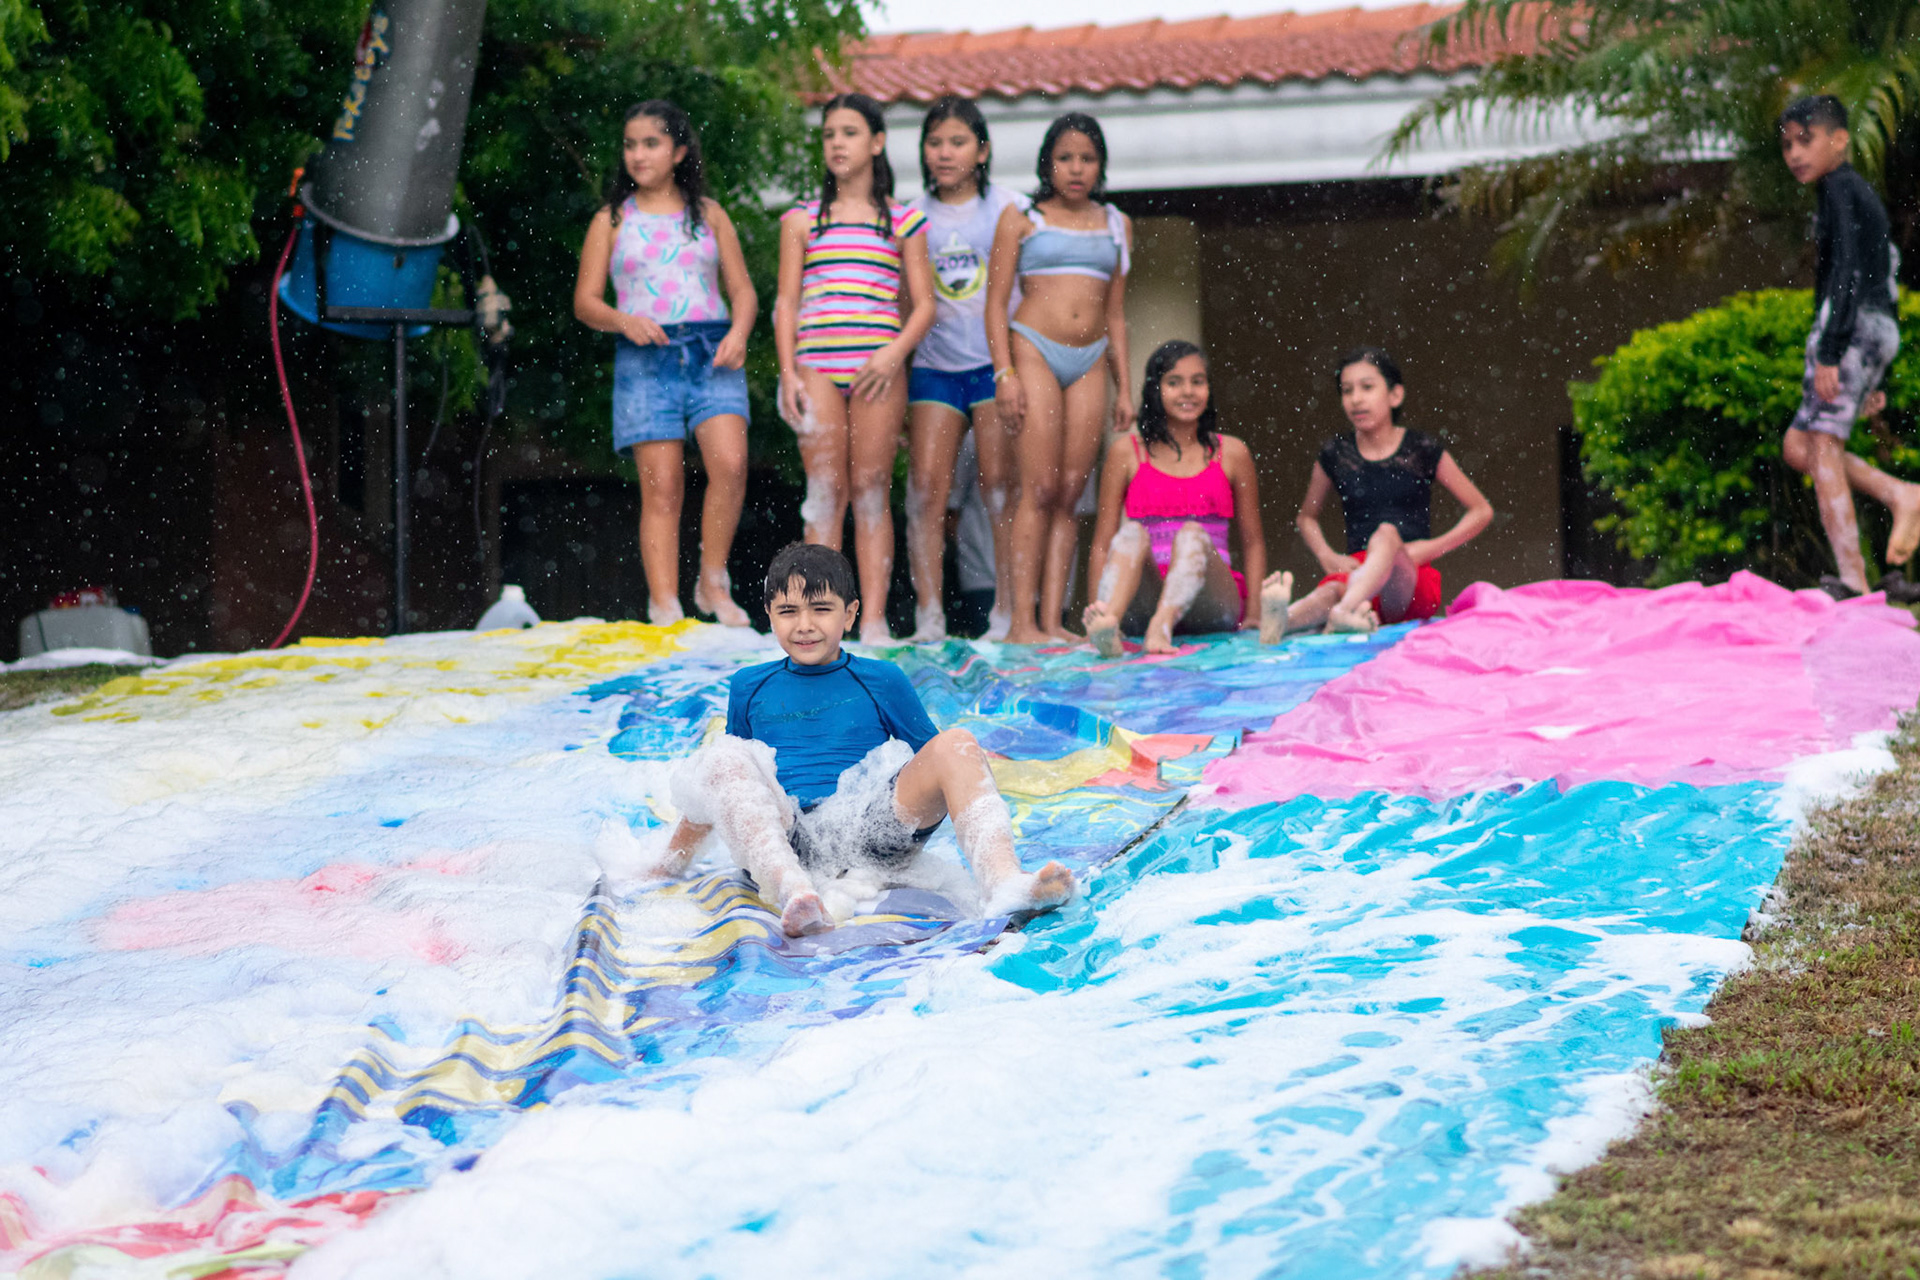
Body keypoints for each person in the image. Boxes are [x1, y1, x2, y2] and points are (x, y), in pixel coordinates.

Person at [657, 543, 1075, 937]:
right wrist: (667, 863)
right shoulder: (749, 685)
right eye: (788, 611)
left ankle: (1003, 882)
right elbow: (730, 785)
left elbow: (936, 763)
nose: (804, 625)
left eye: (822, 609)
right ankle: (795, 894)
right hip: (786, 843)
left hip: (868, 835)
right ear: (769, 614)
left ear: (850, 613)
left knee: (956, 743)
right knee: (724, 756)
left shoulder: (882, 680)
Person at [573, 100, 758, 627]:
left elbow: (744, 291)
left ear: (678, 152)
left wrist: (740, 333)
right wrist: (622, 320)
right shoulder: (611, 219)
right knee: (662, 488)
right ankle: (665, 605)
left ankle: (712, 582)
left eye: (650, 144)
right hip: (645, 355)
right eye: (630, 145)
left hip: (712, 349)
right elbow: (585, 302)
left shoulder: (710, 214)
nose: (637, 154)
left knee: (731, 465)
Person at [775, 93, 937, 643]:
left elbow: (926, 305)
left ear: (877, 142)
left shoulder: (905, 220)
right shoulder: (801, 219)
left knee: (870, 488)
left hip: (878, 366)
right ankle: (820, 623)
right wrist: (788, 373)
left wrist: (893, 354)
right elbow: (787, 303)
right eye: (829, 134)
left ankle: (871, 621)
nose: (837, 143)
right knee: (825, 489)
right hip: (816, 365)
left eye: (849, 132)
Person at [985, 112, 1133, 645]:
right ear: (1047, 163)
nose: (1076, 168)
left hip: (1090, 358)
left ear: (1101, 166)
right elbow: (995, 305)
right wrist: (1004, 374)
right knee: (1039, 487)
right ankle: (1021, 623)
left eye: (1087, 159)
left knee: (1071, 492)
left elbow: (1115, 314)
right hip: (1033, 349)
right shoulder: (1021, 217)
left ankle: (1053, 623)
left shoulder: (1116, 223)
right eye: (1065, 158)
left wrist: (1126, 387)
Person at [1775, 94, 1920, 602]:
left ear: (1839, 140)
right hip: (1873, 327)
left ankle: (1854, 583)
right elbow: (1882, 272)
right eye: (1787, 144)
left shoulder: (1840, 187)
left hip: (1852, 330)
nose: (1795, 153)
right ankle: (1902, 494)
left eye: (1806, 140)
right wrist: (1876, 373)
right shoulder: (1850, 191)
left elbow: (1848, 272)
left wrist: (1832, 352)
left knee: (1822, 446)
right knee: (1798, 447)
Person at [904, 97, 1026, 643]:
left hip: (994, 365)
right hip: (934, 366)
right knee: (926, 490)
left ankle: (1007, 610)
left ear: (982, 150)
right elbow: (904, 300)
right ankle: (929, 615)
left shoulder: (1010, 207)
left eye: (957, 142)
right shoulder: (911, 215)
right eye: (934, 143)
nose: (945, 153)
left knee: (999, 487)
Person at [1268, 347, 1493, 637]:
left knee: (1386, 535)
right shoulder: (1336, 453)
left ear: (1395, 395)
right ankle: (1281, 621)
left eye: (1367, 387)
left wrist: (1430, 548)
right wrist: (1326, 555)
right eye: (1347, 390)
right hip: (1359, 572)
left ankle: (1345, 610)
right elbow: (1306, 517)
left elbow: (1481, 510)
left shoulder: (1420, 448)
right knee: (1329, 591)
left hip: (1409, 574)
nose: (1356, 399)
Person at [1081, 341, 1269, 656]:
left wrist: (1254, 615)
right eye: (1174, 382)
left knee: (1192, 533)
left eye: (1198, 381)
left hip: (1211, 604)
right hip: (1147, 599)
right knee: (1130, 534)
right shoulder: (1126, 453)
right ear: (1156, 390)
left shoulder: (1233, 453)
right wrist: (1094, 609)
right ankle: (1107, 621)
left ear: (1208, 388)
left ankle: (1163, 624)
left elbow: (1253, 542)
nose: (1188, 392)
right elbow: (1102, 543)